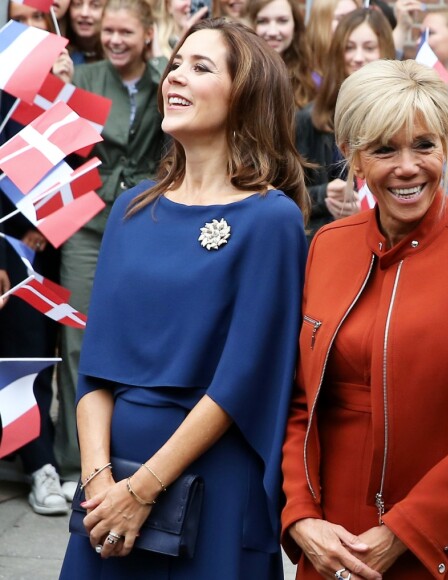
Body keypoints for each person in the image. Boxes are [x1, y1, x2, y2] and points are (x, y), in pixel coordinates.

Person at [59, 17, 308, 578]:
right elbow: (94, 370)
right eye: (176, 63)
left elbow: (245, 378)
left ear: (245, 97)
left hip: (210, 478)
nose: (176, 77)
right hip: (110, 484)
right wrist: (100, 486)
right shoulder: (130, 209)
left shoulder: (271, 220)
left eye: (201, 67)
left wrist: (145, 488)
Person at [281, 58, 448, 580]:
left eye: (424, 144)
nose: (408, 166)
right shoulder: (327, 245)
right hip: (331, 538)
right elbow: (300, 402)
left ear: (446, 145)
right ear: (351, 156)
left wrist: (402, 532)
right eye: (384, 149)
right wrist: (301, 516)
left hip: (440, 536)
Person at [55, 0, 168, 500]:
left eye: (126, 32)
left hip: (147, 219)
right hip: (86, 220)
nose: (115, 40)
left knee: (139, 336)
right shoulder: (84, 77)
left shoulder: (169, 79)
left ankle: (132, 452)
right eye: (108, 32)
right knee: (76, 336)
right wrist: (59, 93)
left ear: (147, 35)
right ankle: (73, 462)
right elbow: (59, 150)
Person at [0, 0, 74, 517]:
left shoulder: (64, 79)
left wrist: (63, 94)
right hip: (7, 240)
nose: (28, 32)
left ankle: (39, 462)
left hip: (43, 242)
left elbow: (83, 162)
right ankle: (36, 461)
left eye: (37, 21)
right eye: (17, 20)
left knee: (33, 349)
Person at [297, 7, 395, 238]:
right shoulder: (309, 119)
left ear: (385, 51)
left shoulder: (403, 117)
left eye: (369, 47)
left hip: (386, 240)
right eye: (349, 47)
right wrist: (325, 195)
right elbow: (285, 193)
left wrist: (367, 208)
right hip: (327, 240)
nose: (358, 57)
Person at [248, 0, 317, 108]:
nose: (272, 32)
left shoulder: (314, 82)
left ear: (295, 27)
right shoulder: (238, 76)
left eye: (282, 21)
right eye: (262, 21)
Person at [305, 0, 360, 82]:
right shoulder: (300, 70)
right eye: (341, 18)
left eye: (355, 18)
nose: (351, 24)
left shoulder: (359, 64)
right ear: (321, 22)